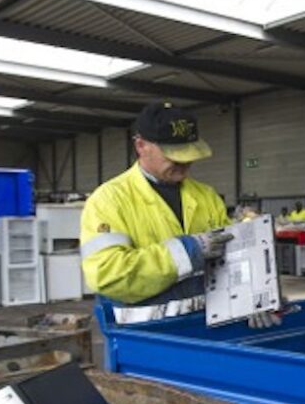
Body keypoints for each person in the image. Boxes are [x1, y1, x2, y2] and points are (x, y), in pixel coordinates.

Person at [81, 101, 280, 327]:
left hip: (206, 331)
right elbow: (108, 275)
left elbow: (233, 257)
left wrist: (254, 299)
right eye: (174, 155)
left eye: (189, 154)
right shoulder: (109, 201)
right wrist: (188, 251)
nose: (184, 163)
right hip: (143, 338)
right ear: (141, 145)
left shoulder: (206, 196)